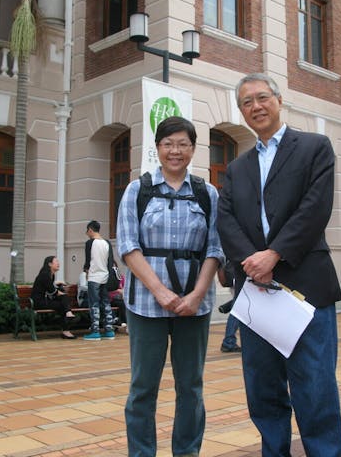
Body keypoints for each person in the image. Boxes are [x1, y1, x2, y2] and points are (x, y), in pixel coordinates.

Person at [217, 73, 341, 456]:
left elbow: (315, 208)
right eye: (246, 102)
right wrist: (253, 262)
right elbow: (226, 220)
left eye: (261, 97)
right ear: (241, 111)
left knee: (315, 390)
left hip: (307, 289)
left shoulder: (313, 148)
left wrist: (274, 255)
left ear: (278, 99)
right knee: (263, 392)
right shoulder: (237, 168)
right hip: (256, 297)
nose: (255, 106)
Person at [116, 116, 223, 457]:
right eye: (168, 144)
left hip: (194, 306)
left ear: (193, 149)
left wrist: (196, 294)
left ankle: (187, 452)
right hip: (146, 306)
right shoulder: (138, 190)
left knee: (190, 387)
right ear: (157, 148)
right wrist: (160, 291)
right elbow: (129, 247)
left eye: (183, 144)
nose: (175, 151)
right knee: (143, 387)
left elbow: (214, 249)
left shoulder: (208, 194)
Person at [83, 220, 116, 341]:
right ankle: (109, 330)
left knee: (94, 303)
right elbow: (110, 261)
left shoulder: (90, 243)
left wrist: (86, 272)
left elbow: (88, 261)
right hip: (105, 276)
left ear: (90, 230)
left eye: (87, 231)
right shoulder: (107, 243)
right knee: (106, 302)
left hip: (94, 277)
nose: (87, 233)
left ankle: (95, 331)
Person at [31, 255, 76, 339]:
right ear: (50, 264)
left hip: (45, 300)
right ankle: (66, 328)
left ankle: (67, 319)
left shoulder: (51, 275)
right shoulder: (44, 275)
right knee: (63, 303)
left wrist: (60, 288)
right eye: (56, 262)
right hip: (39, 302)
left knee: (63, 302)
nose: (58, 264)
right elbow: (53, 292)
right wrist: (62, 292)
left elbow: (50, 290)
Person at [217, 259, 240, 352]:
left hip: (234, 277)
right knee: (237, 313)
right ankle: (228, 342)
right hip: (237, 278)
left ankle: (229, 342)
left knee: (238, 311)